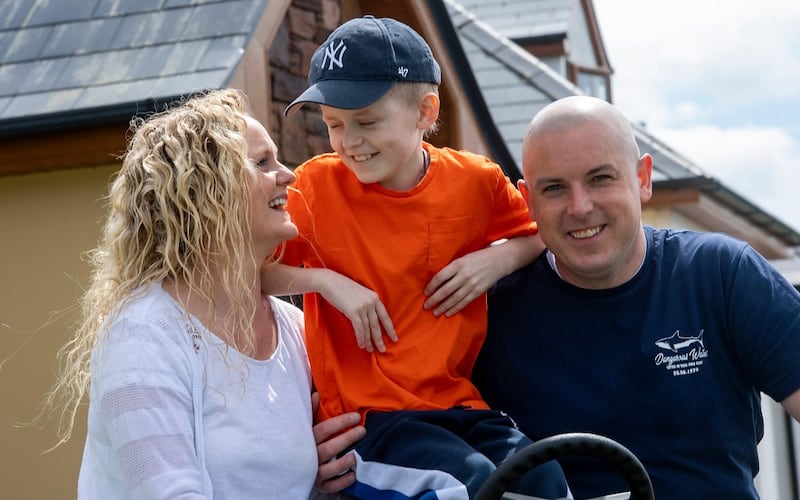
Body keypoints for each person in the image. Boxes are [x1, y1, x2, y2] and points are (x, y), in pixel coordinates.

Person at [263, 15, 570, 500]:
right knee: (466, 487)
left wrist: (497, 261)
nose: (349, 142)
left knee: (542, 475)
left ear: (426, 112)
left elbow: (542, 235)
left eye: (366, 122)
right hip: (371, 423)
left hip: (458, 407)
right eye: (334, 125)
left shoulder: (476, 183)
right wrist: (325, 281)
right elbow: (251, 274)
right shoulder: (315, 188)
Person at [39, 88, 363, 498]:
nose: (289, 174)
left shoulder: (298, 331)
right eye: (263, 162)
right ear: (206, 192)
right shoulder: (144, 335)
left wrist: (317, 482)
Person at [472, 95, 800, 499]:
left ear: (643, 178)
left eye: (600, 178)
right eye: (554, 188)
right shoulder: (489, 313)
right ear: (528, 200)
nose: (580, 206)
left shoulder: (721, 274)